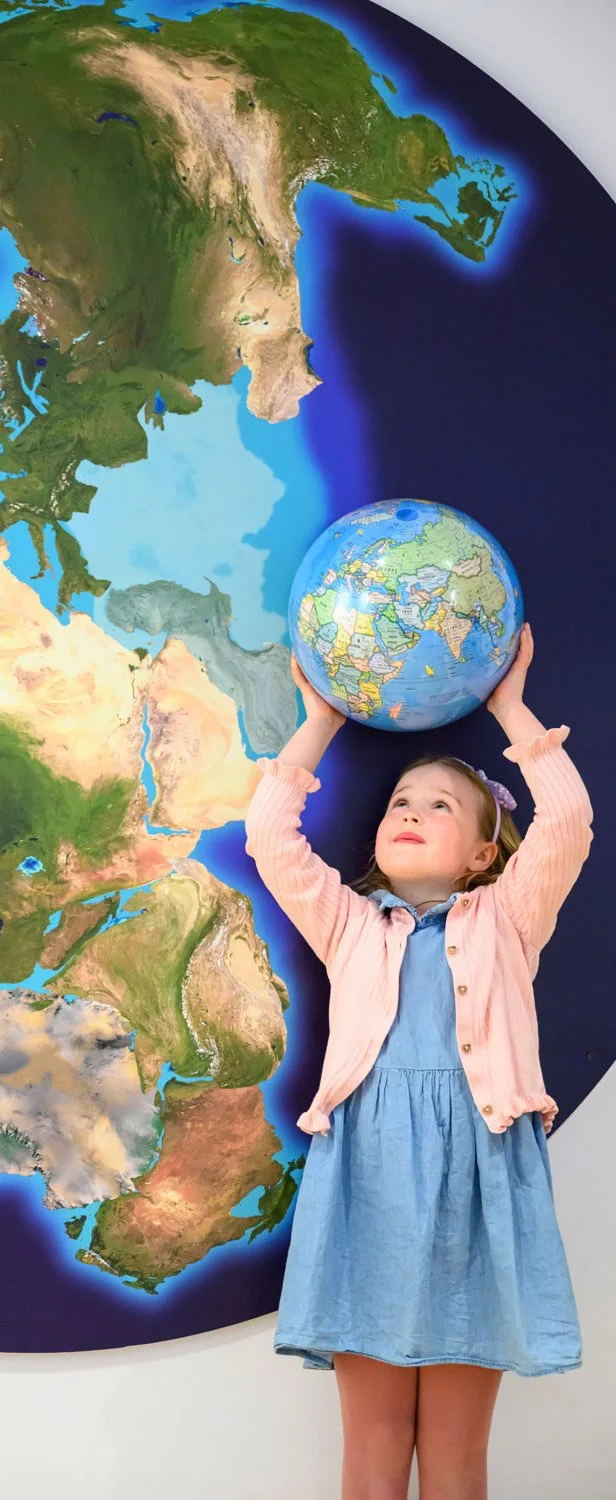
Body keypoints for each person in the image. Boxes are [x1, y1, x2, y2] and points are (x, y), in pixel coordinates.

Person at [243, 622, 594, 1500]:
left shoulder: (506, 920)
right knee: (372, 1449)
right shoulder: (352, 923)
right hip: (370, 1182)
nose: (412, 812)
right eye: (402, 800)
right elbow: (270, 839)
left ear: (482, 856)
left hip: (482, 1181)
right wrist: (318, 721)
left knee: (455, 1455)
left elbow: (570, 821)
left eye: (440, 806)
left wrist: (512, 709)